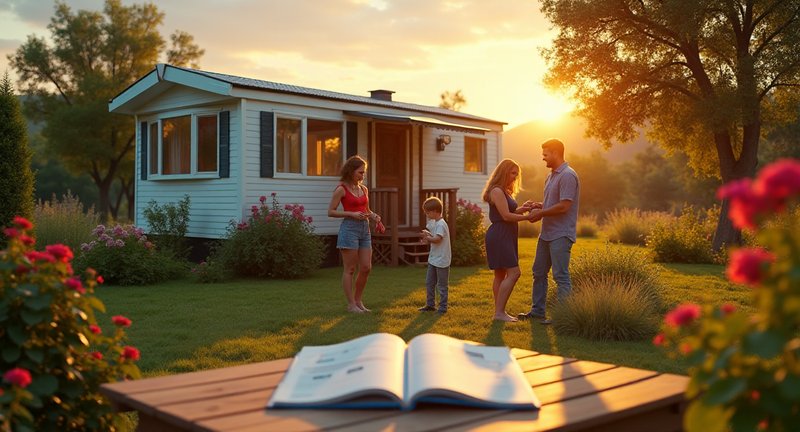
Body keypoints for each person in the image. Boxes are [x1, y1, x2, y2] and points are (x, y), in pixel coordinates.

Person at [518, 139, 580, 324]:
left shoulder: (568, 175)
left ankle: (563, 317)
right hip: (546, 234)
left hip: (561, 233)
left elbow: (564, 206)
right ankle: (537, 311)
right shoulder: (551, 176)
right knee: (538, 272)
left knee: (560, 276)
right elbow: (554, 203)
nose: (543, 158)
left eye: (545, 154)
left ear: (555, 153)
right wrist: (538, 205)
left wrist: (541, 213)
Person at [482, 159, 535, 322]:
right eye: (512, 173)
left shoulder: (503, 190)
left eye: (516, 174)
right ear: (504, 172)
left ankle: (498, 311)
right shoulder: (497, 190)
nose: (515, 177)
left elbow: (507, 211)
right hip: (500, 235)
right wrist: (527, 218)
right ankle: (499, 313)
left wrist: (523, 209)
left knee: (500, 274)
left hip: (504, 233)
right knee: (514, 273)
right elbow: (505, 216)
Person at [327, 155, 381, 313]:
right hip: (349, 229)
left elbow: (366, 210)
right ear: (351, 171)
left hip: (365, 229)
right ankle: (351, 304)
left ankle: (358, 301)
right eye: (360, 172)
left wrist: (374, 216)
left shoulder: (363, 189)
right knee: (350, 269)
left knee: (366, 267)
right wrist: (351, 214)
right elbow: (330, 212)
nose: (363, 176)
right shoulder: (341, 189)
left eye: (364, 173)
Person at [418, 196, 451, 314]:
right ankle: (430, 304)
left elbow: (437, 239)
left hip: (442, 259)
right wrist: (427, 237)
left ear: (435, 211)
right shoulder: (434, 223)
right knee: (429, 282)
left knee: (442, 285)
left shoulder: (441, 224)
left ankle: (443, 307)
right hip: (433, 259)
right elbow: (433, 236)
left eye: (428, 212)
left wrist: (428, 238)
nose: (426, 214)